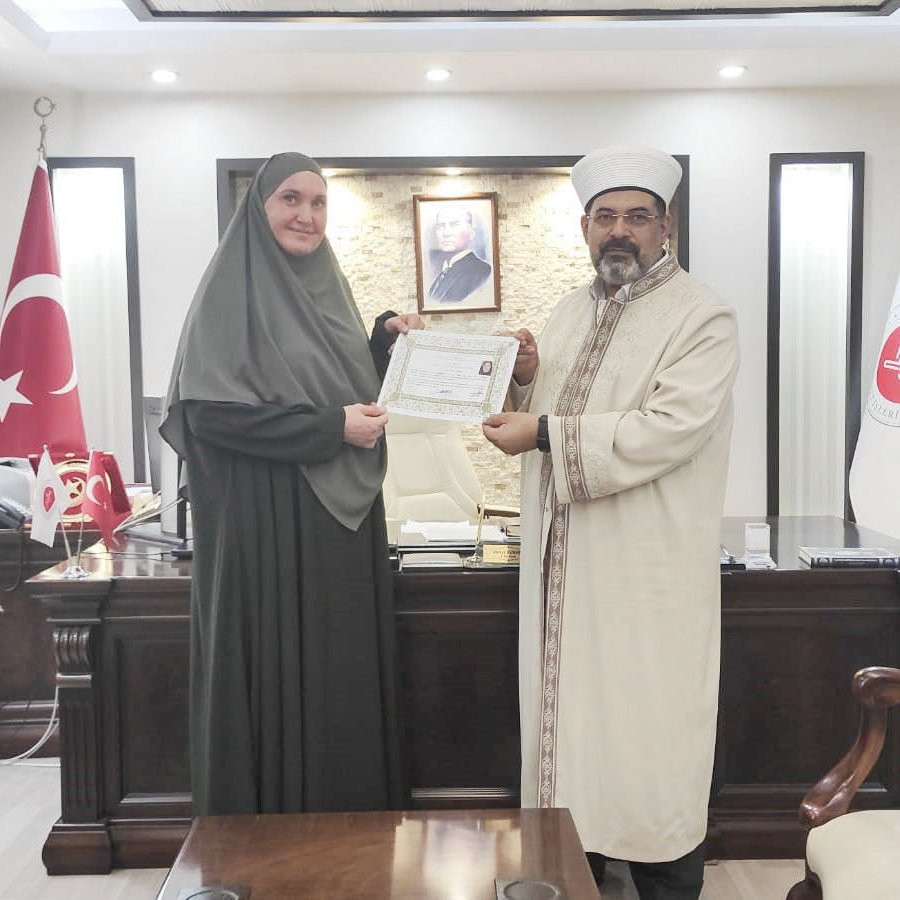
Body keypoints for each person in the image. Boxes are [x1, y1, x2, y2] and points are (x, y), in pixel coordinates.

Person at [482, 145, 739, 900]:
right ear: (586, 227)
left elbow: (667, 428)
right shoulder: (569, 310)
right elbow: (549, 412)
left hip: (646, 579)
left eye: (637, 216)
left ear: (667, 226)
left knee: (651, 747)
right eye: (605, 217)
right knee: (574, 747)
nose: (619, 230)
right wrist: (527, 378)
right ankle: (575, 877)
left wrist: (543, 430)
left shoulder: (702, 316)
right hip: (564, 583)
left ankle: (664, 882)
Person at [160, 152, 423, 816]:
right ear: (259, 208)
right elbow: (209, 414)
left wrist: (383, 343)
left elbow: (332, 379)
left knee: (338, 679)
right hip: (264, 525)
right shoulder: (229, 291)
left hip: (339, 528)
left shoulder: (328, 288)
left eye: (318, 202)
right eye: (290, 199)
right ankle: (270, 844)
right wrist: (331, 429)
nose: (307, 215)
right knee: (275, 674)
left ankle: (348, 844)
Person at [428, 204, 492, 302]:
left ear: (471, 233)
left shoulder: (482, 271)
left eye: (454, 225)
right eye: (440, 227)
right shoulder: (442, 274)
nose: (446, 233)